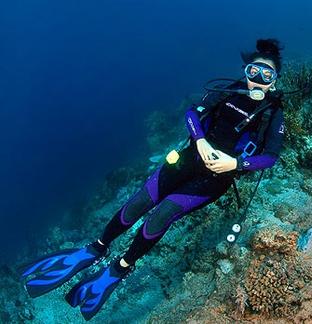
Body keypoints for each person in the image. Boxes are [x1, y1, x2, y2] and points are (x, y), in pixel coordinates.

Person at [18, 39, 285, 321]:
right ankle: (96, 247)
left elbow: (269, 157)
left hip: (215, 180)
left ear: (274, 82)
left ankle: (121, 266)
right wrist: (201, 140)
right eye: (255, 71)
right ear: (246, 71)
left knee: (162, 215)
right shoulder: (227, 92)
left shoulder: (273, 113)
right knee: (139, 203)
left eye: (267, 75)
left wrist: (235, 163)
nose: (258, 80)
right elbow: (192, 114)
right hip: (188, 159)